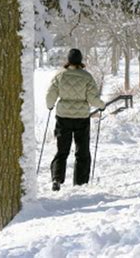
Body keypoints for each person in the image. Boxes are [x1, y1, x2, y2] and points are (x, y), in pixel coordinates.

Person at [46, 48, 105, 191]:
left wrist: (50, 106)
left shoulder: (60, 75)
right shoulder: (87, 77)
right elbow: (92, 98)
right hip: (81, 118)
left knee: (62, 150)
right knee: (82, 150)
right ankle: (80, 182)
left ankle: (57, 179)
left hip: (63, 117)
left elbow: (50, 94)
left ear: (68, 60)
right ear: (80, 61)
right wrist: (101, 106)